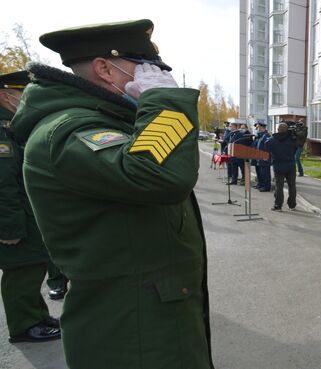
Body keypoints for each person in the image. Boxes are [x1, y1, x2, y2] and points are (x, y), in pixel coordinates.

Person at [11, 20, 215, 369]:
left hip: (152, 319)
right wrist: (163, 100)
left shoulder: (102, 121)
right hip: (131, 336)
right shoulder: (67, 131)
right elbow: (161, 175)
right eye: (146, 67)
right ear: (105, 68)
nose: (155, 76)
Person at [0, 71, 61, 343]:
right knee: (21, 271)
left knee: (33, 266)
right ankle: (24, 326)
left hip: (24, 215)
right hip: (14, 220)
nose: (25, 99)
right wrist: (9, 228)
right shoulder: (2, 132)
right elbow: (2, 186)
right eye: (21, 94)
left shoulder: (12, 126)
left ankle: (36, 315)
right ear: (5, 95)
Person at [267, 122, 297, 211]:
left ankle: (278, 206)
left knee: (279, 186)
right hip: (290, 165)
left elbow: (267, 149)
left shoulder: (272, 139)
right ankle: (292, 205)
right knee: (292, 186)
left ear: (277, 130)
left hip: (278, 165)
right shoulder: (292, 139)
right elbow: (296, 148)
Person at [252, 120, 271, 192]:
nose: (257, 129)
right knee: (260, 172)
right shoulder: (259, 136)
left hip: (264, 157)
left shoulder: (266, 136)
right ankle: (261, 184)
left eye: (258, 127)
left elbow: (267, 148)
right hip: (258, 157)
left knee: (265, 173)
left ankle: (266, 187)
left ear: (262, 127)